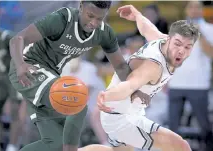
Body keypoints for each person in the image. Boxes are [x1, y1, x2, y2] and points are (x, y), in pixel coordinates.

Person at [8, 1, 149, 151]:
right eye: (90, 16)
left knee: (54, 142)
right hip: (29, 68)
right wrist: (20, 65)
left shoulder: (104, 32)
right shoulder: (62, 19)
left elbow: (120, 66)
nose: (93, 23)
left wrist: (134, 90)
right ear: (81, 7)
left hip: (52, 75)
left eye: (99, 18)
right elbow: (17, 39)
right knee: (76, 100)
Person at [79, 5, 199, 151]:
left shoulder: (162, 41)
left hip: (126, 111)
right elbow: (130, 85)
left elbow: (148, 30)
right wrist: (107, 95)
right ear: (170, 40)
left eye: (188, 47)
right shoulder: (154, 66)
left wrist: (137, 16)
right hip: (120, 115)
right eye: (178, 44)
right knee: (180, 146)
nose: (181, 50)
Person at [167, 2, 213, 150]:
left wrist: (199, 34)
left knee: (204, 126)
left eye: (197, 7)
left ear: (202, 10)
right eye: (191, 7)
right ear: (186, 9)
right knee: (172, 126)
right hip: (176, 84)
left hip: (198, 84)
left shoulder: (209, 28)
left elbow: (211, 54)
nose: (194, 10)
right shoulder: (175, 30)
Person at [0, 29, 27, 151]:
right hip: (0, 78)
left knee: (16, 111)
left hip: (13, 76)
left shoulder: (4, 36)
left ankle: (12, 146)